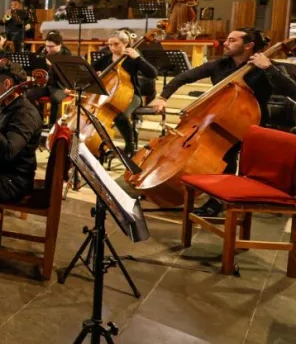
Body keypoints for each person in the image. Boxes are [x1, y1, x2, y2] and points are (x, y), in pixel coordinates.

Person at [149, 27, 296, 216]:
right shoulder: (220, 65)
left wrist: (268, 67)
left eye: (232, 40)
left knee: (229, 155)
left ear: (249, 45)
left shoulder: (267, 66)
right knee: (221, 153)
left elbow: (292, 91)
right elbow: (183, 77)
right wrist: (163, 97)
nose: (225, 43)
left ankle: (220, 199)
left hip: (253, 122)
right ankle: (208, 192)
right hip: (221, 117)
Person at [0, 62, 43, 202]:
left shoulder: (25, 114)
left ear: (7, 84)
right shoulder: (8, 106)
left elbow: (8, 151)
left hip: (12, 181)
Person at [91, 31, 157, 155]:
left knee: (119, 115)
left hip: (132, 95)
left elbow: (152, 74)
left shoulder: (132, 58)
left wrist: (138, 58)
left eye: (116, 44)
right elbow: (91, 70)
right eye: (110, 45)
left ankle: (129, 145)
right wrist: (97, 74)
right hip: (108, 95)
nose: (112, 48)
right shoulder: (106, 58)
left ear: (126, 43)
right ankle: (98, 144)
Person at [25, 31, 71, 128]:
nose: (48, 49)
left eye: (51, 46)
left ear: (59, 46)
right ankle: (39, 120)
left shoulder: (66, 56)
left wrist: (53, 66)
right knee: (29, 94)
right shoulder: (44, 53)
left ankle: (52, 124)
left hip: (61, 86)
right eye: (46, 46)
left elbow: (66, 76)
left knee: (55, 98)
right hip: (47, 85)